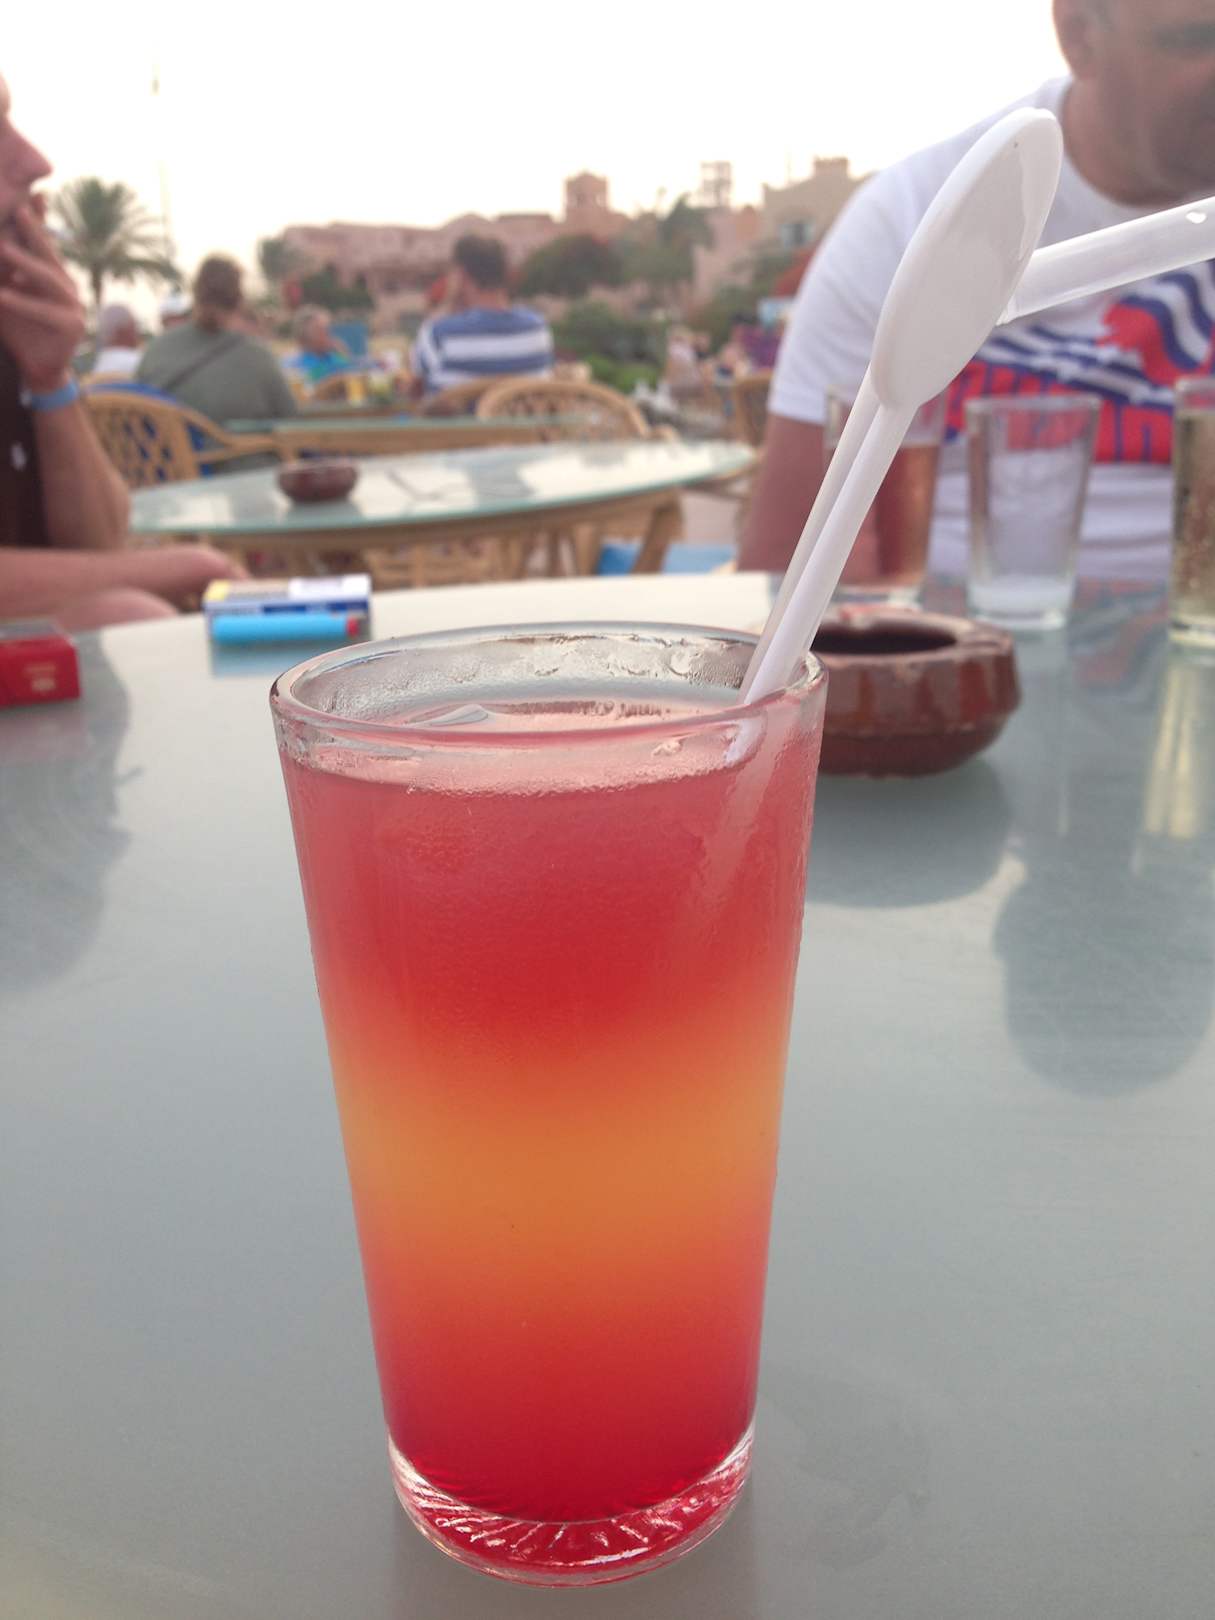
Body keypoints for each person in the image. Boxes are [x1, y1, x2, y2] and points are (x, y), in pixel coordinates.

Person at [740, 0, 1215, 582]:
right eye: (1197, 39)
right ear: (1079, 34)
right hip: (938, 625)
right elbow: (781, 563)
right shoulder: (913, 220)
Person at [0, 73, 240, 628]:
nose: (36, 162)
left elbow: (98, 542)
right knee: (130, 612)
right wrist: (191, 566)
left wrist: (50, 378)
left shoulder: (15, 336)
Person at [138, 255, 297, 425]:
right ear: (239, 299)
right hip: (237, 443)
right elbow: (289, 416)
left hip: (164, 442)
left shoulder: (156, 349)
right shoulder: (258, 357)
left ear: (195, 295)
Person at [411, 235, 553, 396]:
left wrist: (449, 302)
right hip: (520, 413)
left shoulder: (438, 334)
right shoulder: (537, 328)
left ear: (461, 276)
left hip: (456, 413)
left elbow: (418, 380)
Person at [288, 305, 351, 386]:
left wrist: (345, 355)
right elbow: (308, 379)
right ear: (303, 337)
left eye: (326, 329)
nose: (326, 335)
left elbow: (352, 374)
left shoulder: (335, 358)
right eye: (319, 330)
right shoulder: (294, 365)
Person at [90, 302, 141, 378]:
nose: (137, 332)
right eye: (134, 326)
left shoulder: (99, 363)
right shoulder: (137, 362)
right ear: (125, 330)